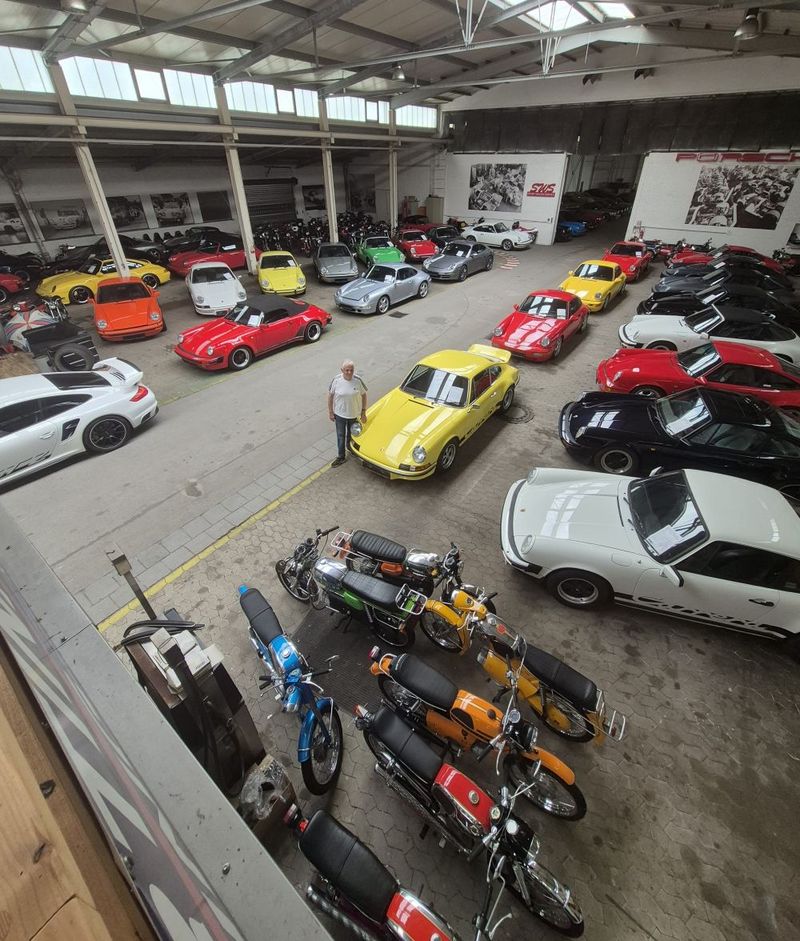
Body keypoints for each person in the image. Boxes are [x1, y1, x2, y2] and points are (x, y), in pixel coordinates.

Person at [328, 360, 367, 467]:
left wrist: (363, 412)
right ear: (342, 370)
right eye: (347, 370)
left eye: (351, 370)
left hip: (353, 415)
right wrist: (331, 412)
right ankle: (341, 457)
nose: (349, 372)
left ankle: (351, 449)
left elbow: (364, 395)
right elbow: (330, 396)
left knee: (352, 434)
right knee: (341, 436)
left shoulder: (358, 380)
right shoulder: (336, 380)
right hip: (340, 415)